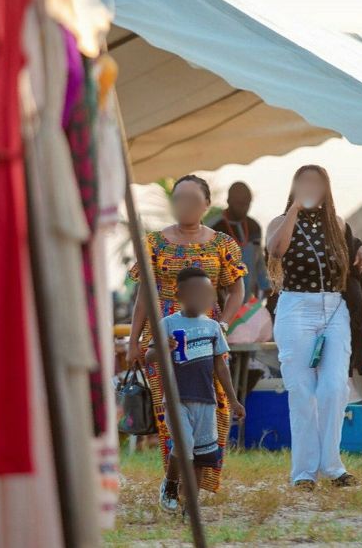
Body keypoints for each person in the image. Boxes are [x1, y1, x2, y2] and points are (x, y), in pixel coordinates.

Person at [127, 175, 247, 494]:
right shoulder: (154, 242)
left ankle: (198, 482)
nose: (186, 205)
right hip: (163, 338)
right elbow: (144, 296)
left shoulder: (223, 243)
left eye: (193, 199)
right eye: (179, 198)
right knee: (172, 413)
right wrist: (135, 341)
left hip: (206, 337)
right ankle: (176, 485)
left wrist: (225, 323)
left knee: (215, 407)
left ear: (207, 205)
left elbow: (237, 288)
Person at [267, 164, 362, 491]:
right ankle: (304, 472)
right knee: (301, 390)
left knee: (333, 388)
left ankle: (332, 464)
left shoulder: (338, 225)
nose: (311, 187)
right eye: (305, 182)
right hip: (296, 306)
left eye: (317, 183)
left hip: (333, 309)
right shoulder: (279, 221)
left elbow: (354, 251)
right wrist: (296, 209)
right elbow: (276, 250)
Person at [147, 268, 247, 512]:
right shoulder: (168, 324)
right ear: (179, 294)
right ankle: (170, 483)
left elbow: (220, 365)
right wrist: (162, 347)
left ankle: (191, 503)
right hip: (176, 397)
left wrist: (233, 400)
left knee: (202, 454)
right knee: (184, 443)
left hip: (206, 400)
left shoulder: (213, 327)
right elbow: (149, 356)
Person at [210, 182, 271, 301]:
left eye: (247, 204)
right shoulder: (215, 228)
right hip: (223, 300)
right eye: (239, 203)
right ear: (228, 201)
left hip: (249, 300)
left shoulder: (254, 226)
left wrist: (265, 285)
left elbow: (259, 261)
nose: (244, 208)